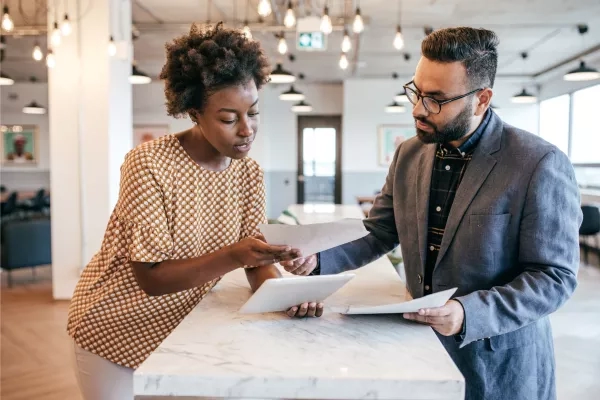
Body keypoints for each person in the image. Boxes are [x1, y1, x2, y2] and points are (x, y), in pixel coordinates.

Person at [282, 27, 582, 400]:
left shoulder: (538, 162)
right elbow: (379, 231)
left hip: (498, 360)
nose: (418, 109)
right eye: (417, 92)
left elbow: (554, 276)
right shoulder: (410, 153)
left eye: (436, 99)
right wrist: (317, 260)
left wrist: (468, 313)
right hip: (420, 348)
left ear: (481, 99)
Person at [67, 23, 322, 400]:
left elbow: (255, 261)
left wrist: (288, 294)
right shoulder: (148, 164)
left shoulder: (248, 172)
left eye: (252, 112)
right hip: (113, 328)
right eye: (228, 117)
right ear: (193, 111)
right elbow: (151, 279)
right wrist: (235, 255)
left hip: (185, 331)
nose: (246, 129)